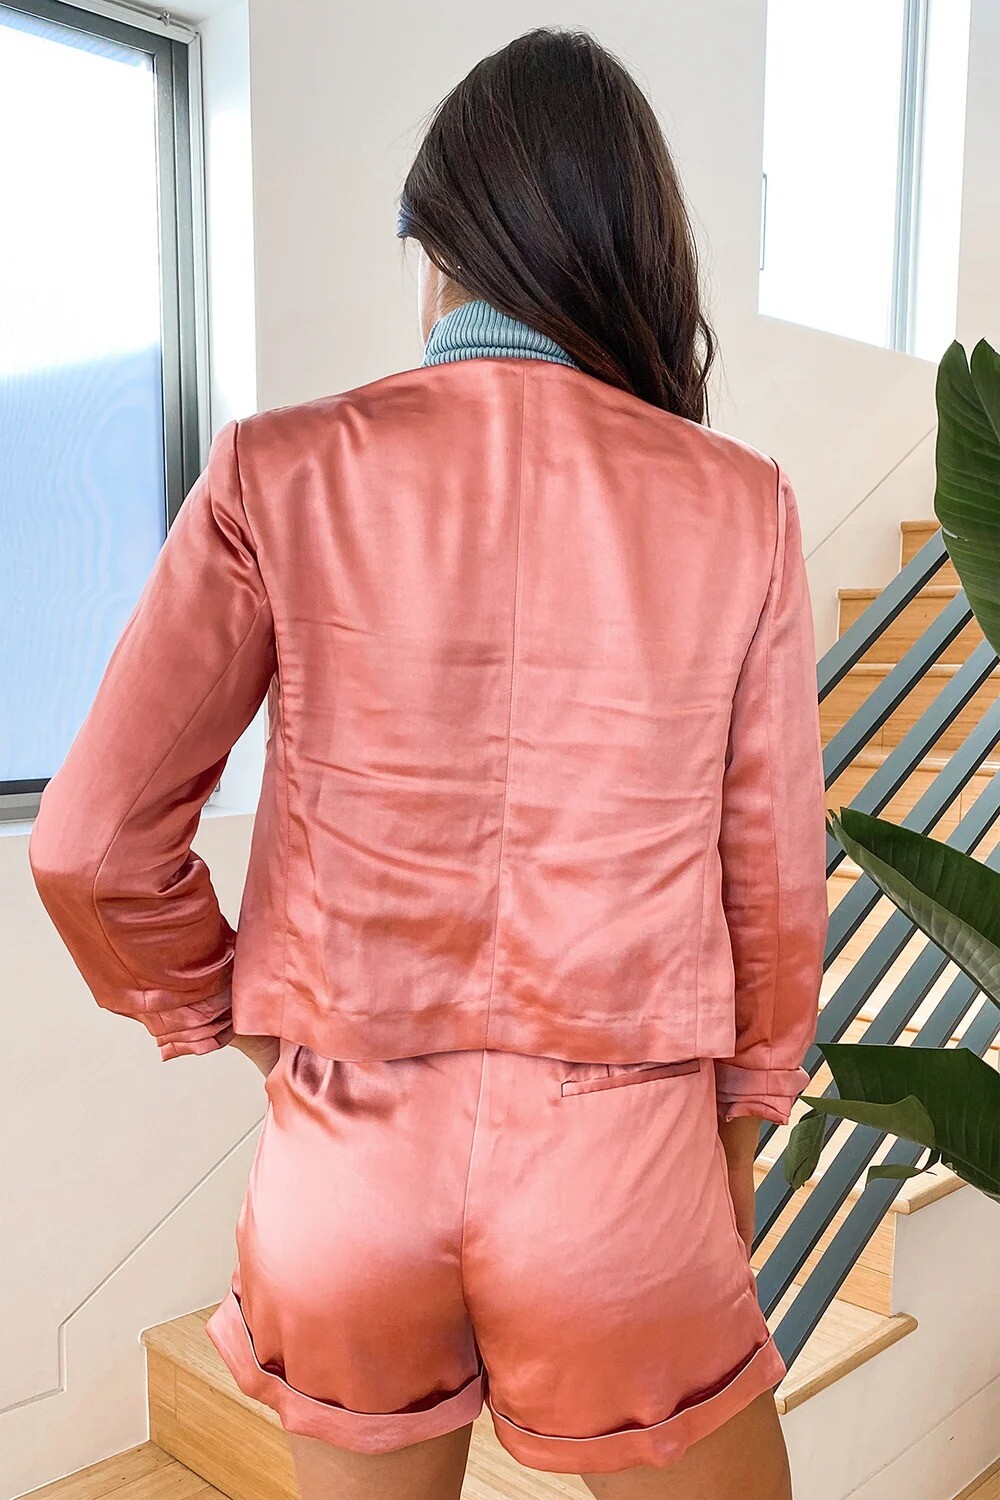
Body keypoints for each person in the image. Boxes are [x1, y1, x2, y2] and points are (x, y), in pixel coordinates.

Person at [28, 26, 828, 1500]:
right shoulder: (742, 506)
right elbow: (770, 887)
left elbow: (86, 844)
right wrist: (743, 1122)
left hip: (344, 1165)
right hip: (624, 1175)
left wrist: (243, 1024)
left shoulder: (276, 468)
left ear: (441, 250)